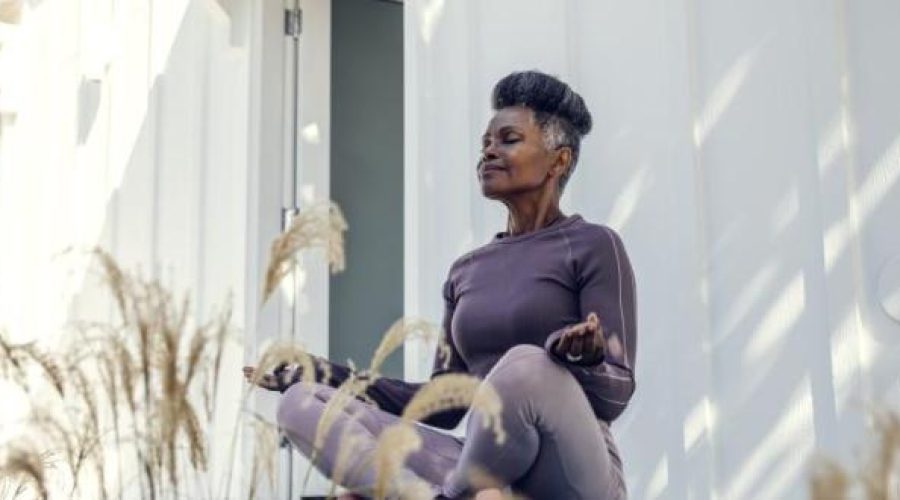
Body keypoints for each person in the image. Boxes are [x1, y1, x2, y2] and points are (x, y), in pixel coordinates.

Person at [244, 70, 636, 500]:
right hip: (483, 464)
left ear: (557, 161)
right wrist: (322, 372)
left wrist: (584, 362)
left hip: (571, 470)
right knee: (302, 403)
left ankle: (448, 495)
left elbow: (616, 394)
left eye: (507, 140)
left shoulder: (594, 245)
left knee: (527, 364)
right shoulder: (467, 270)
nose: (488, 152)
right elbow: (445, 402)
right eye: (484, 143)